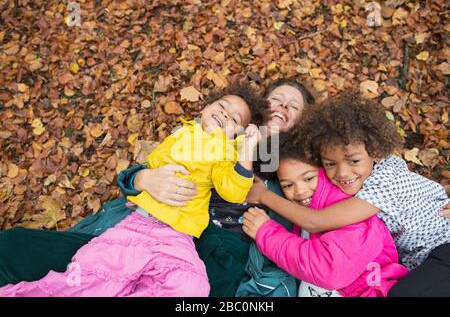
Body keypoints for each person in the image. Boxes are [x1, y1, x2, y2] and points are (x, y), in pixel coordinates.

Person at [0, 83, 263, 297]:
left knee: (192, 286)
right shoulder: (183, 135)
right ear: (205, 108)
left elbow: (233, 190)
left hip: (177, 238)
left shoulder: (227, 156)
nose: (225, 115)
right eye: (221, 107)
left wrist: (244, 153)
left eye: (234, 118)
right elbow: (155, 162)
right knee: (93, 280)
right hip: (138, 225)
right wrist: (145, 178)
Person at [244, 91, 450, 296]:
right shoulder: (370, 178)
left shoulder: (385, 179)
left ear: (375, 152)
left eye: (353, 160)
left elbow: (316, 221)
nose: (342, 173)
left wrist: (264, 196)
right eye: (331, 164)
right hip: (423, 262)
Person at [242, 133, 409, 297]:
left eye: (308, 179)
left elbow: (329, 269)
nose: (300, 191)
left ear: (326, 168)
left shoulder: (348, 212)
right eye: (287, 185)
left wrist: (267, 233)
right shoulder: (299, 213)